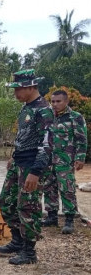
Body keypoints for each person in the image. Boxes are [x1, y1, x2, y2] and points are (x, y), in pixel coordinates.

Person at [0, 69, 53, 265]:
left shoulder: (43, 110)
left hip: (32, 165)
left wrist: (36, 172)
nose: (15, 94)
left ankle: (29, 252)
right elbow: (24, 136)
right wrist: (13, 157)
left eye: (18, 89)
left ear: (30, 87)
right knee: (6, 201)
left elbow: (47, 144)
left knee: (28, 206)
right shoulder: (26, 108)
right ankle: (17, 240)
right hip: (19, 162)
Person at [41, 89, 87, 234]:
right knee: (49, 187)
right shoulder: (48, 117)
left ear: (66, 102)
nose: (55, 104)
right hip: (48, 160)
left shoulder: (75, 117)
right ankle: (51, 216)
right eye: (53, 101)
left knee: (67, 189)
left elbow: (81, 138)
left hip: (65, 161)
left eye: (58, 101)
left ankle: (69, 220)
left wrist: (80, 158)